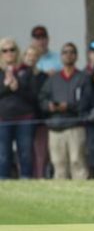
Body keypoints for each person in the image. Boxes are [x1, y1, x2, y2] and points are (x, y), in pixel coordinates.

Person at [39, 43, 88, 179]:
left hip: (75, 126)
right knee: (58, 164)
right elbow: (42, 99)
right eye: (65, 52)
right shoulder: (53, 80)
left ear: (76, 56)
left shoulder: (83, 78)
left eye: (71, 52)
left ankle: (82, 193)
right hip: (55, 127)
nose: (68, 55)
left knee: (77, 161)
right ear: (61, 57)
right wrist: (49, 106)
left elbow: (86, 101)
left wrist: (69, 106)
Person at [0, 38, 37, 179]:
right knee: (3, 154)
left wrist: (18, 87)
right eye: (5, 50)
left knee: (26, 153)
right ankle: (2, 182)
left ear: (17, 51)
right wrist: (6, 87)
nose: (9, 53)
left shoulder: (26, 71)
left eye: (12, 49)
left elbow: (33, 97)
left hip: (25, 119)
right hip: (3, 119)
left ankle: (26, 180)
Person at [23, 46, 50, 178]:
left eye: (34, 55)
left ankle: (40, 177)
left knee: (40, 153)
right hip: (23, 118)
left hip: (39, 119)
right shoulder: (20, 75)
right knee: (25, 151)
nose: (31, 58)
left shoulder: (43, 76)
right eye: (28, 55)